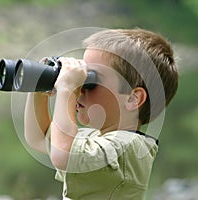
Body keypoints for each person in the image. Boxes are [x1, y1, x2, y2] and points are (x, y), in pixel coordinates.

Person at [24, 28, 179, 199]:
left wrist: (67, 90)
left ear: (133, 98)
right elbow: (38, 138)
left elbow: (63, 155)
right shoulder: (95, 138)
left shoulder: (128, 148)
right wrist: (39, 87)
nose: (81, 87)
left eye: (91, 79)